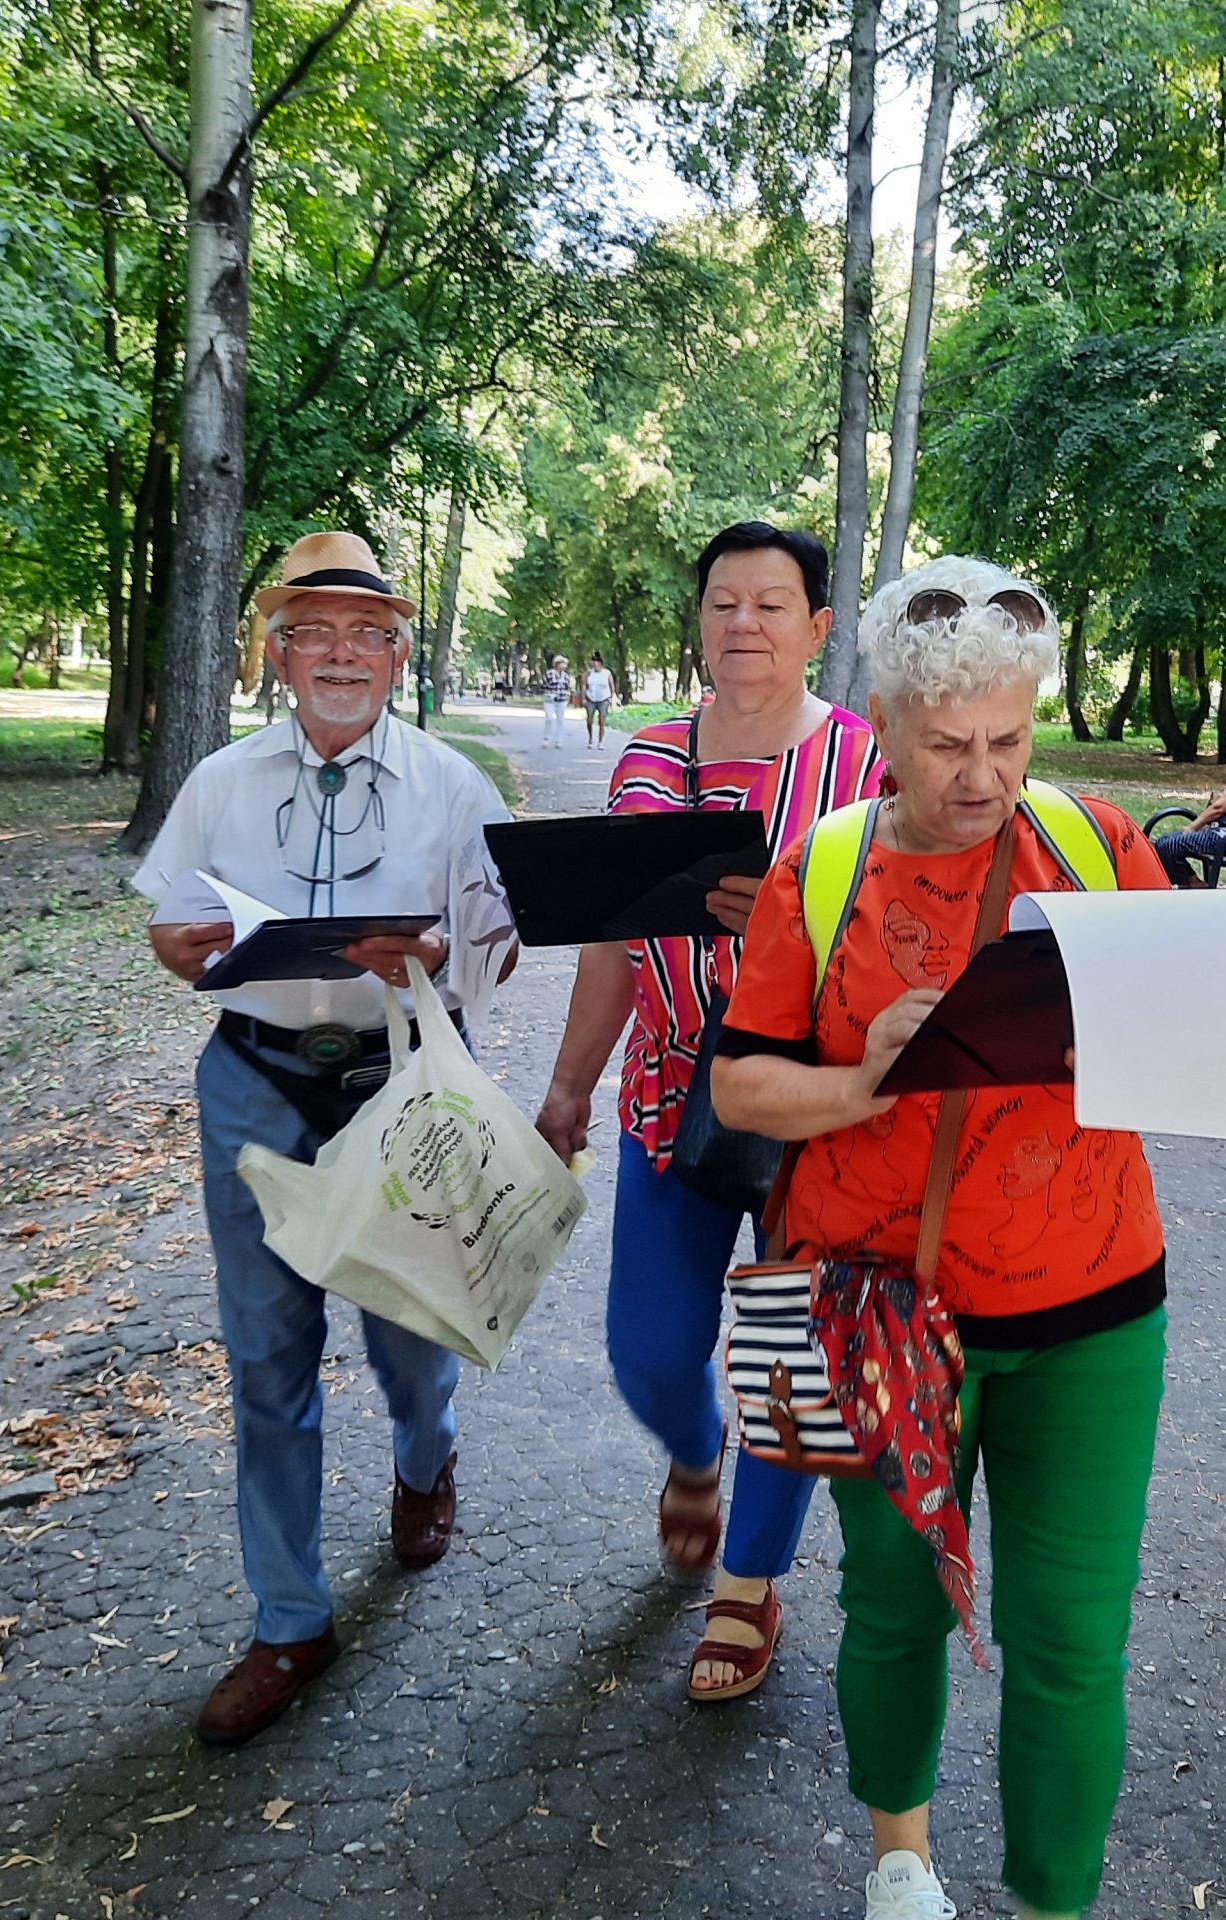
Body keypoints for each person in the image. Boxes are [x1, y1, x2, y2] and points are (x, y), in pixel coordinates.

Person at [708, 556, 1175, 1920]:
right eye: (948, 745)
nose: (983, 777)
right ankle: (900, 1863)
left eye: (1011, 741)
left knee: (1073, 1641)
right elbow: (742, 1085)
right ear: (884, 730)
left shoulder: (1095, 846)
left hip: (1094, 1313)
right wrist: (868, 1078)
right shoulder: (828, 866)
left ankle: (1052, 1900)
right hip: (888, 1316)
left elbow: (1187, 1040)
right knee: (895, 1609)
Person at [135, 530, 523, 1747]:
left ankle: (425, 1460)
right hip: (253, 1084)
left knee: (411, 1337)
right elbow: (176, 923)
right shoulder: (222, 782)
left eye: (366, 633)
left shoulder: (456, 789)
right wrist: (174, 949)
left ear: (399, 656)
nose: (340, 653)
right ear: (278, 651)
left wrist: (441, 957)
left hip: (399, 1086)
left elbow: (502, 943)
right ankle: (290, 1620)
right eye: (314, 630)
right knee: (266, 1360)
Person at [534, 522, 881, 1701]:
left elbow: (902, 951)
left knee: (791, 1355)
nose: (744, 623)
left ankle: (749, 1585)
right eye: (723, 602)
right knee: (649, 1349)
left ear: (817, 629)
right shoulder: (642, 765)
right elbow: (616, 946)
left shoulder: (870, 773)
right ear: (700, 623)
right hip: (669, 1095)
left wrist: (784, 933)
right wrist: (569, 1085)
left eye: (772, 605)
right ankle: (694, 1452)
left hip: (810, 1111)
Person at [1151, 729, 1226, 887]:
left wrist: (1194, 826)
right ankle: (1193, 883)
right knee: (1163, 842)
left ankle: (1192, 886)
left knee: (1169, 846)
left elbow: (1219, 808)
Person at [582, 650, 616, 748]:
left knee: (602, 720)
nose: (594, 665)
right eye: (592, 663)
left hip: (603, 699)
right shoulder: (588, 673)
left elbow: (611, 685)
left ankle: (600, 741)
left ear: (600, 664)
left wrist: (613, 696)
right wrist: (583, 697)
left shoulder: (607, 673)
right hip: (591, 698)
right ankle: (590, 738)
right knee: (589, 720)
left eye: (595, 662)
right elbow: (584, 685)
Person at [542, 654, 573, 748]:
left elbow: (567, 687)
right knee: (549, 719)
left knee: (560, 719)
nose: (565, 666)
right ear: (558, 664)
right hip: (550, 700)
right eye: (563, 664)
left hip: (562, 700)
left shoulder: (566, 676)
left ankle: (559, 740)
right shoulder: (549, 673)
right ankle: (546, 738)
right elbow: (543, 685)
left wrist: (567, 695)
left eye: (566, 664)